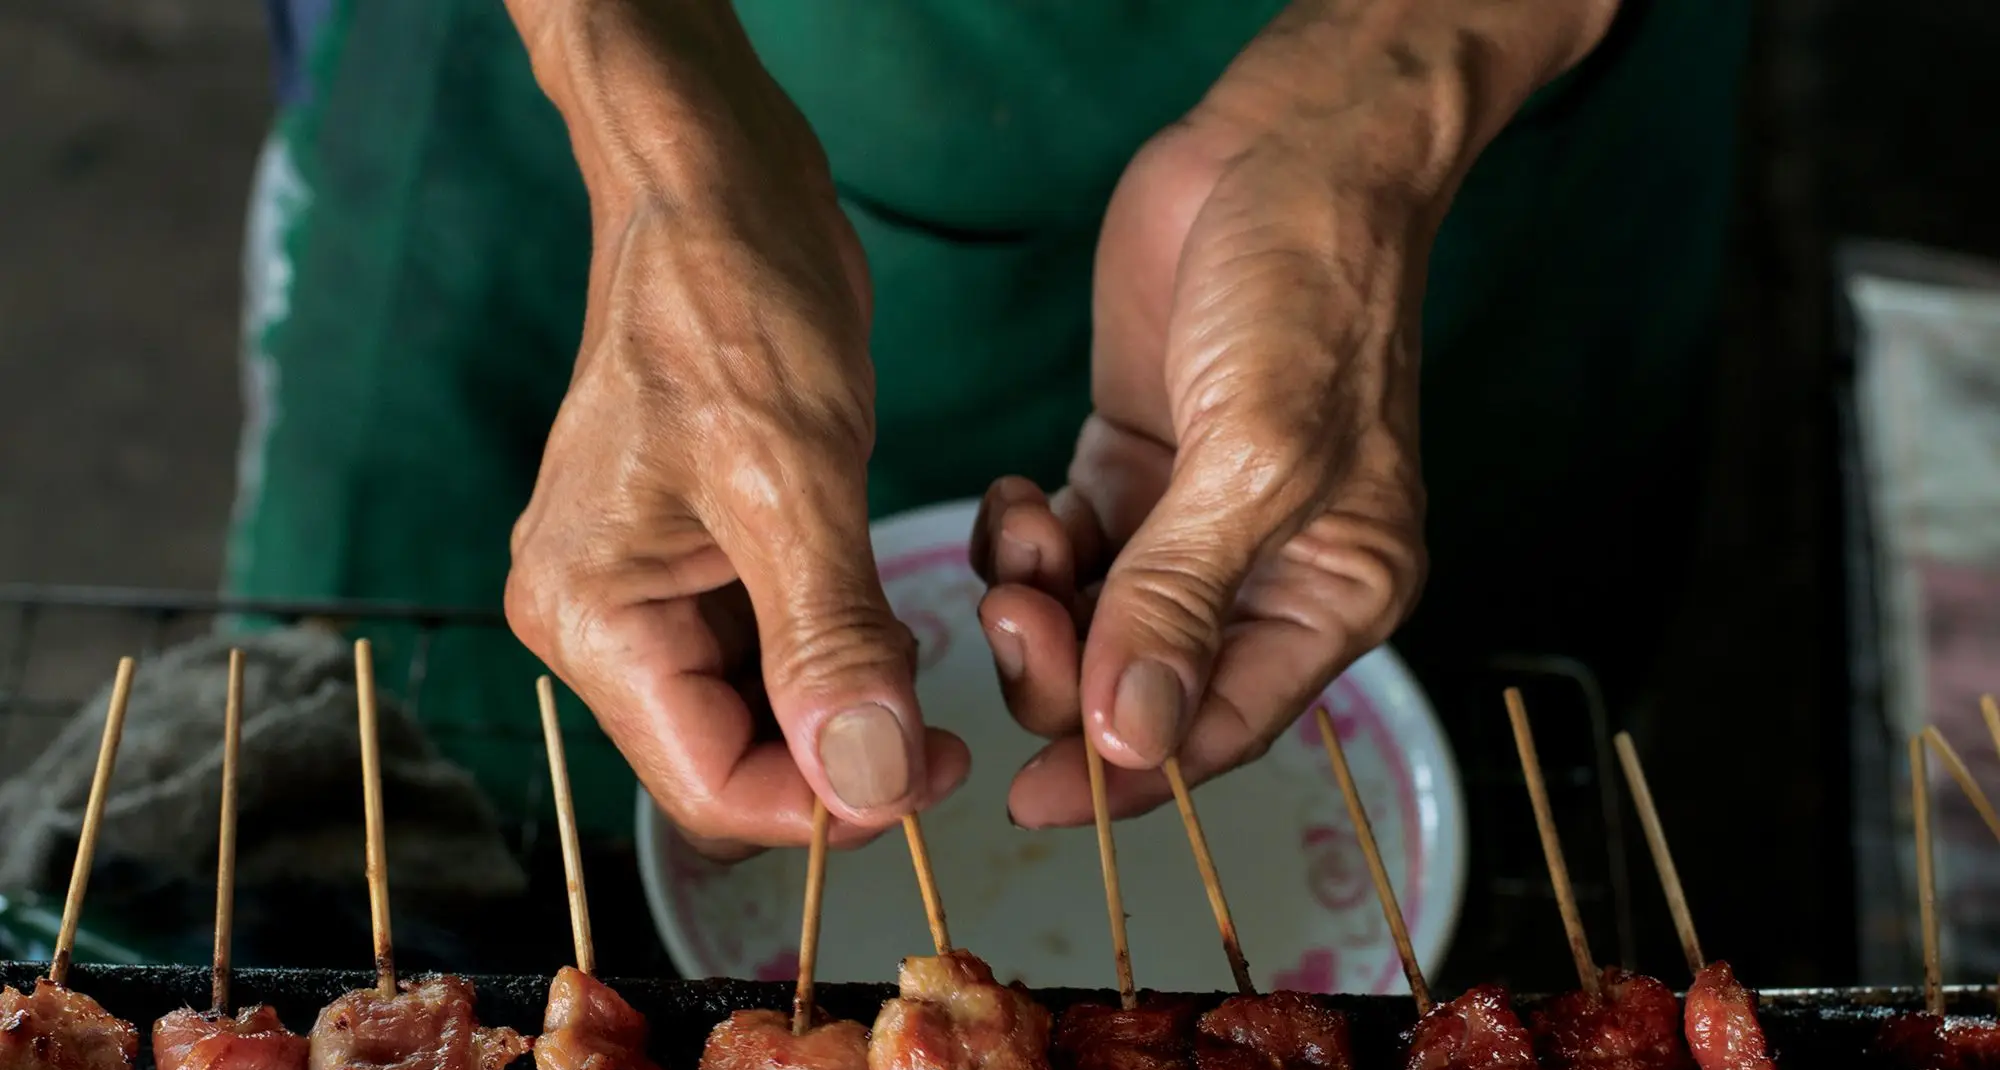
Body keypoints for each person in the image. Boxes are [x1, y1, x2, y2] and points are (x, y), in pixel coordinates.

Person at [234, 0, 1748, 856]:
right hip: (631, 77)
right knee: (393, 808)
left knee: (1495, 767)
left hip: (1485, 141)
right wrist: (649, 125)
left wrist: (1422, 65)